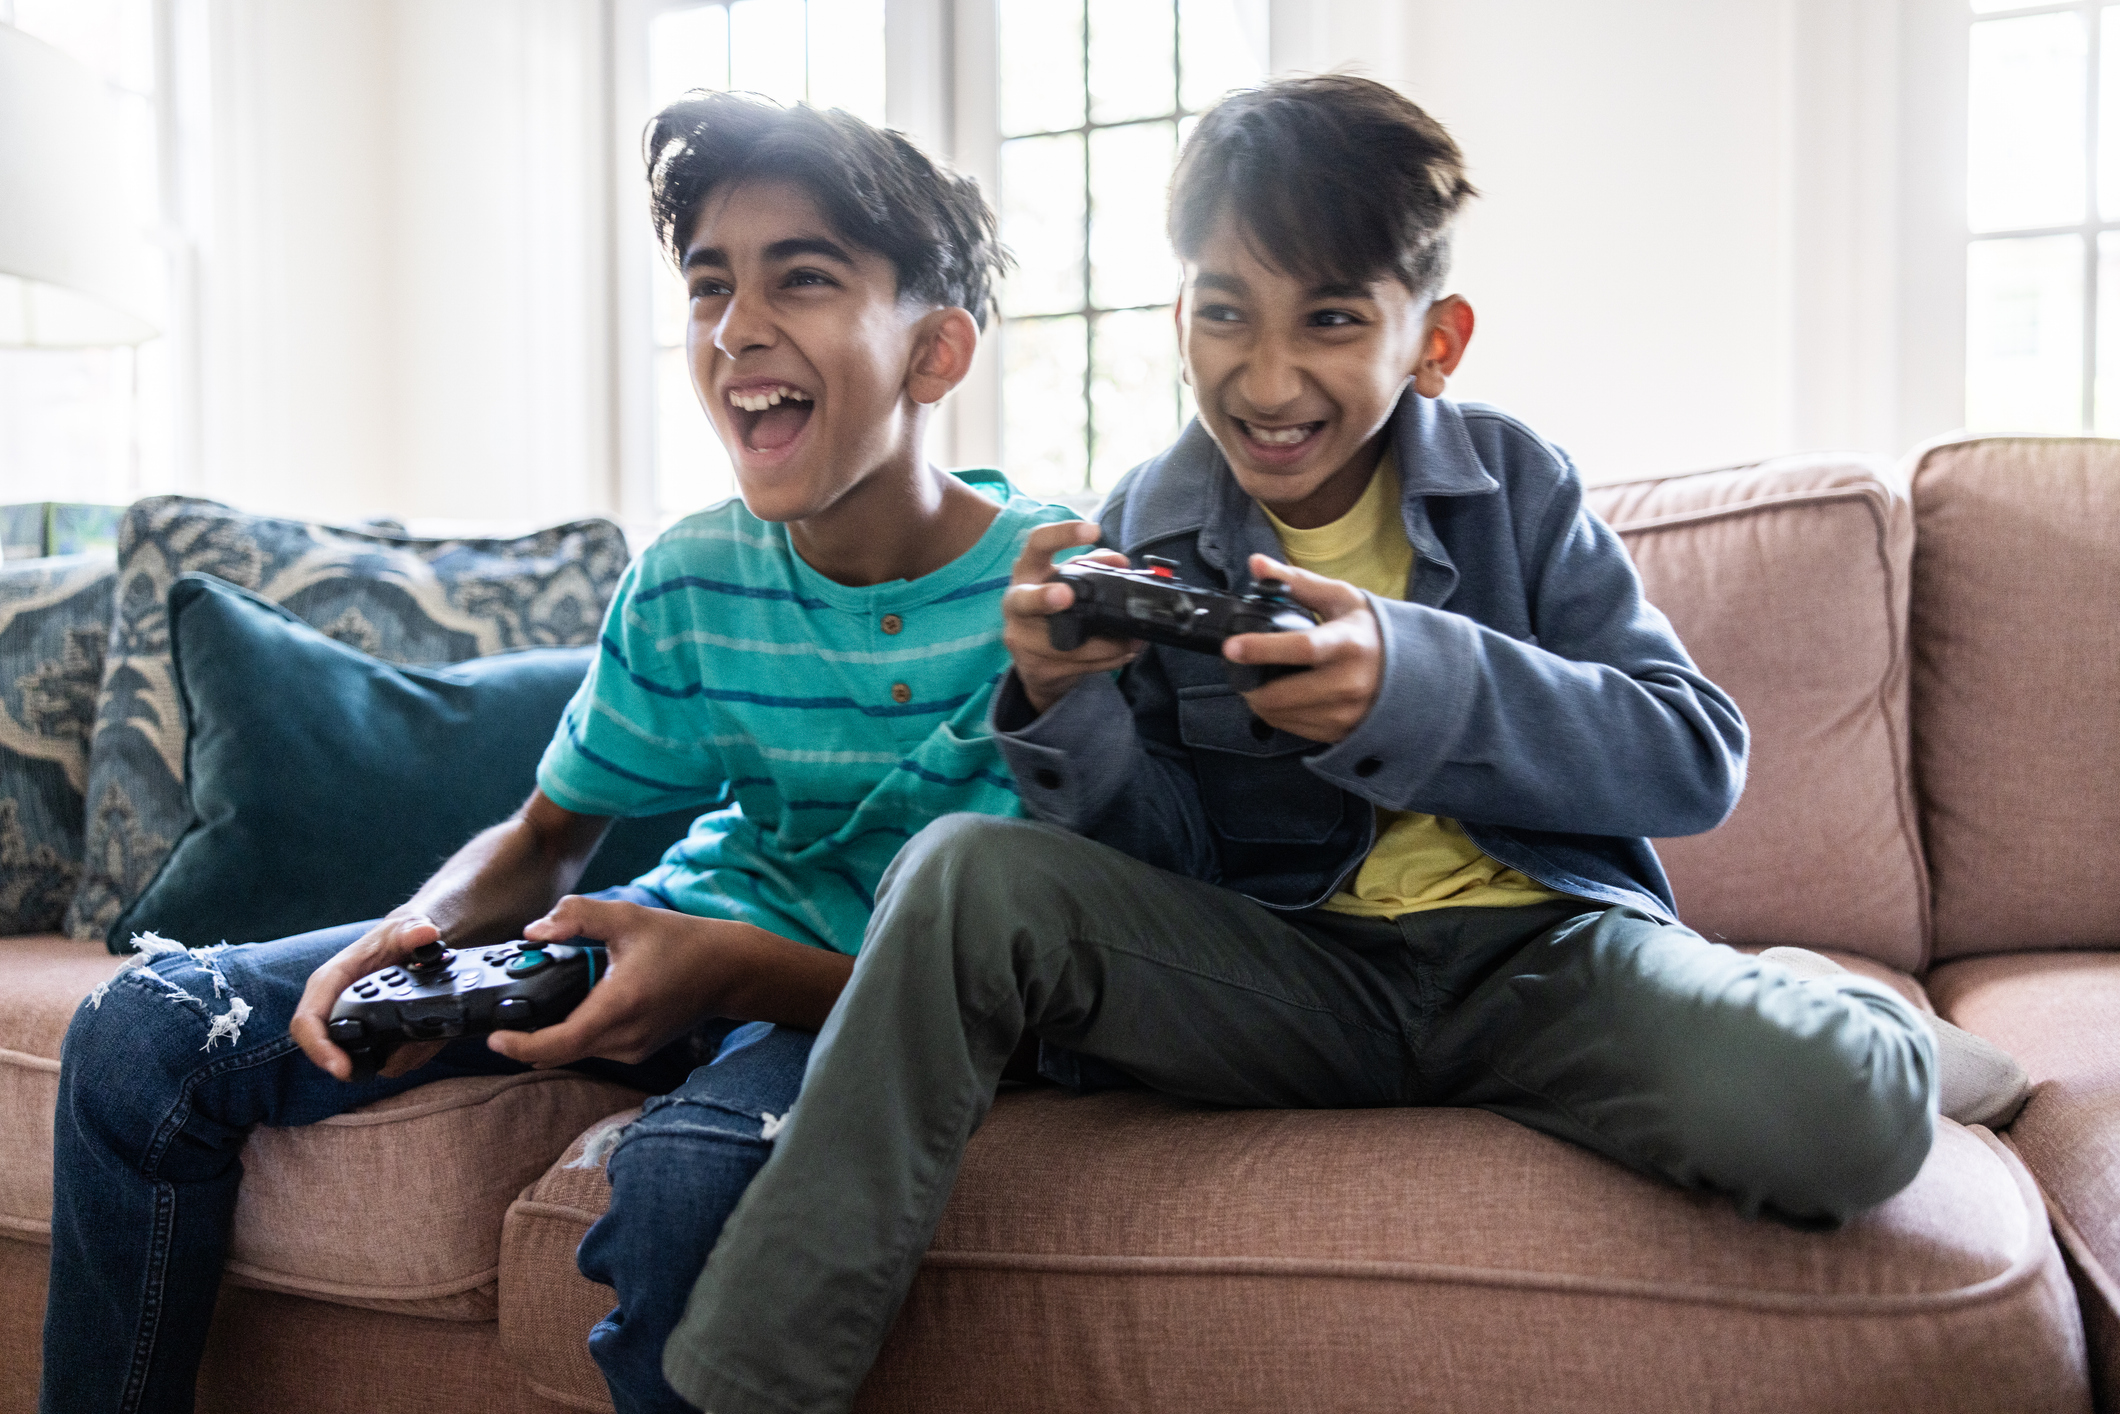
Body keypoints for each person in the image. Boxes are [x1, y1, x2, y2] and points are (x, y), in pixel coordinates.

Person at [646, 74, 2028, 1414]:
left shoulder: (1514, 485)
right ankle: (745, 1393)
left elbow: (1692, 753)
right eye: (1224, 313)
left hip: (1540, 958)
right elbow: (1158, 865)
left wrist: (1413, 686)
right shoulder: (1151, 519)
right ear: (1179, 315)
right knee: (959, 871)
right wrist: (1066, 707)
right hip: (1286, 982)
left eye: (1328, 318)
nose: (1266, 377)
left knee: (1841, 1111)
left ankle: (1829, 1007)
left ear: (1434, 340)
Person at [41, 93, 1073, 1414]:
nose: (736, 327)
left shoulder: (1055, 596)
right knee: (143, 1028)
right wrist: (413, 931)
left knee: (682, 1195)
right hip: (672, 940)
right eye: (710, 286)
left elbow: (1042, 982)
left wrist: (720, 972)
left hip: (867, 1006)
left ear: (936, 351)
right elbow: (547, 837)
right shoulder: (692, 576)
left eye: (801, 279)